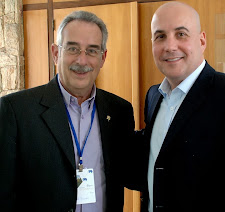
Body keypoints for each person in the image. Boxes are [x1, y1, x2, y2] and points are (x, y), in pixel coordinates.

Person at [140, 2, 225, 212]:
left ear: (202, 41)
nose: (170, 46)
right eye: (160, 36)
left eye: (181, 34)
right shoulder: (154, 96)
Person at [0, 11, 136, 212]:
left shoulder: (119, 111)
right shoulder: (16, 110)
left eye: (92, 50)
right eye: (73, 48)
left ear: (103, 57)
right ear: (56, 53)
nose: (82, 61)